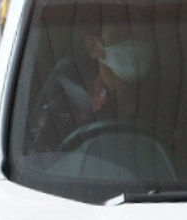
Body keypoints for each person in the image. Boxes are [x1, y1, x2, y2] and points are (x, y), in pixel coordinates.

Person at [23, 21, 155, 153]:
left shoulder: (164, 103)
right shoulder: (64, 109)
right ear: (93, 47)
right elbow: (33, 162)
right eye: (121, 37)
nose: (133, 46)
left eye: (139, 36)